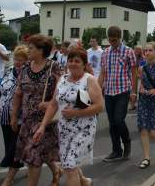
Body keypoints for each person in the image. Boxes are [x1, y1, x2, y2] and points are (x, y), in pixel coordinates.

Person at [34, 48, 104, 186]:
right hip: (65, 129)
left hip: (84, 129)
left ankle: (80, 181)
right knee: (68, 162)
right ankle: (83, 181)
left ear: (84, 64)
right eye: (70, 60)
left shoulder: (89, 80)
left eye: (77, 61)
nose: (73, 64)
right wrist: (42, 126)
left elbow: (99, 106)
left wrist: (76, 113)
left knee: (70, 167)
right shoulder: (63, 79)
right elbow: (53, 104)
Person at [11, 35, 62, 186]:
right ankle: (57, 171)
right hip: (27, 120)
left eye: (31, 48)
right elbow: (18, 93)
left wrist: (50, 103)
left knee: (33, 157)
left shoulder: (54, 67)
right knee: (41, 154)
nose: (28, 50)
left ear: (41, 50)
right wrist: (14, 116)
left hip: (45, 121)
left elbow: (61, 91)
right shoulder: (25, 67)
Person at [0, 45, 28, 186]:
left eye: (21, 60)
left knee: (15, 148)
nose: (17, 62)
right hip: (4, 118)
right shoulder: (8, 71)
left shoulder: (29, 74)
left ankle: (9, 177)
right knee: (10, 146)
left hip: (21, 119)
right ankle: (55, 168)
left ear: (28, 61)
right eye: (16, 59)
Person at [98, 26, 137, 162]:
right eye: (110, 40)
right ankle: (116, 151)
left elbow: (133, 73)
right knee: (112, 123)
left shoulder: (128, 51)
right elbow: (103, 72)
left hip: (123, 90)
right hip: (108, 91)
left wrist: (133, 91)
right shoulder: (105, 52)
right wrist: (97, 90)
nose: (112, 42)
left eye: (114, 40)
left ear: (120, 38)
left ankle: (127, 143)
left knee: (119, 120)